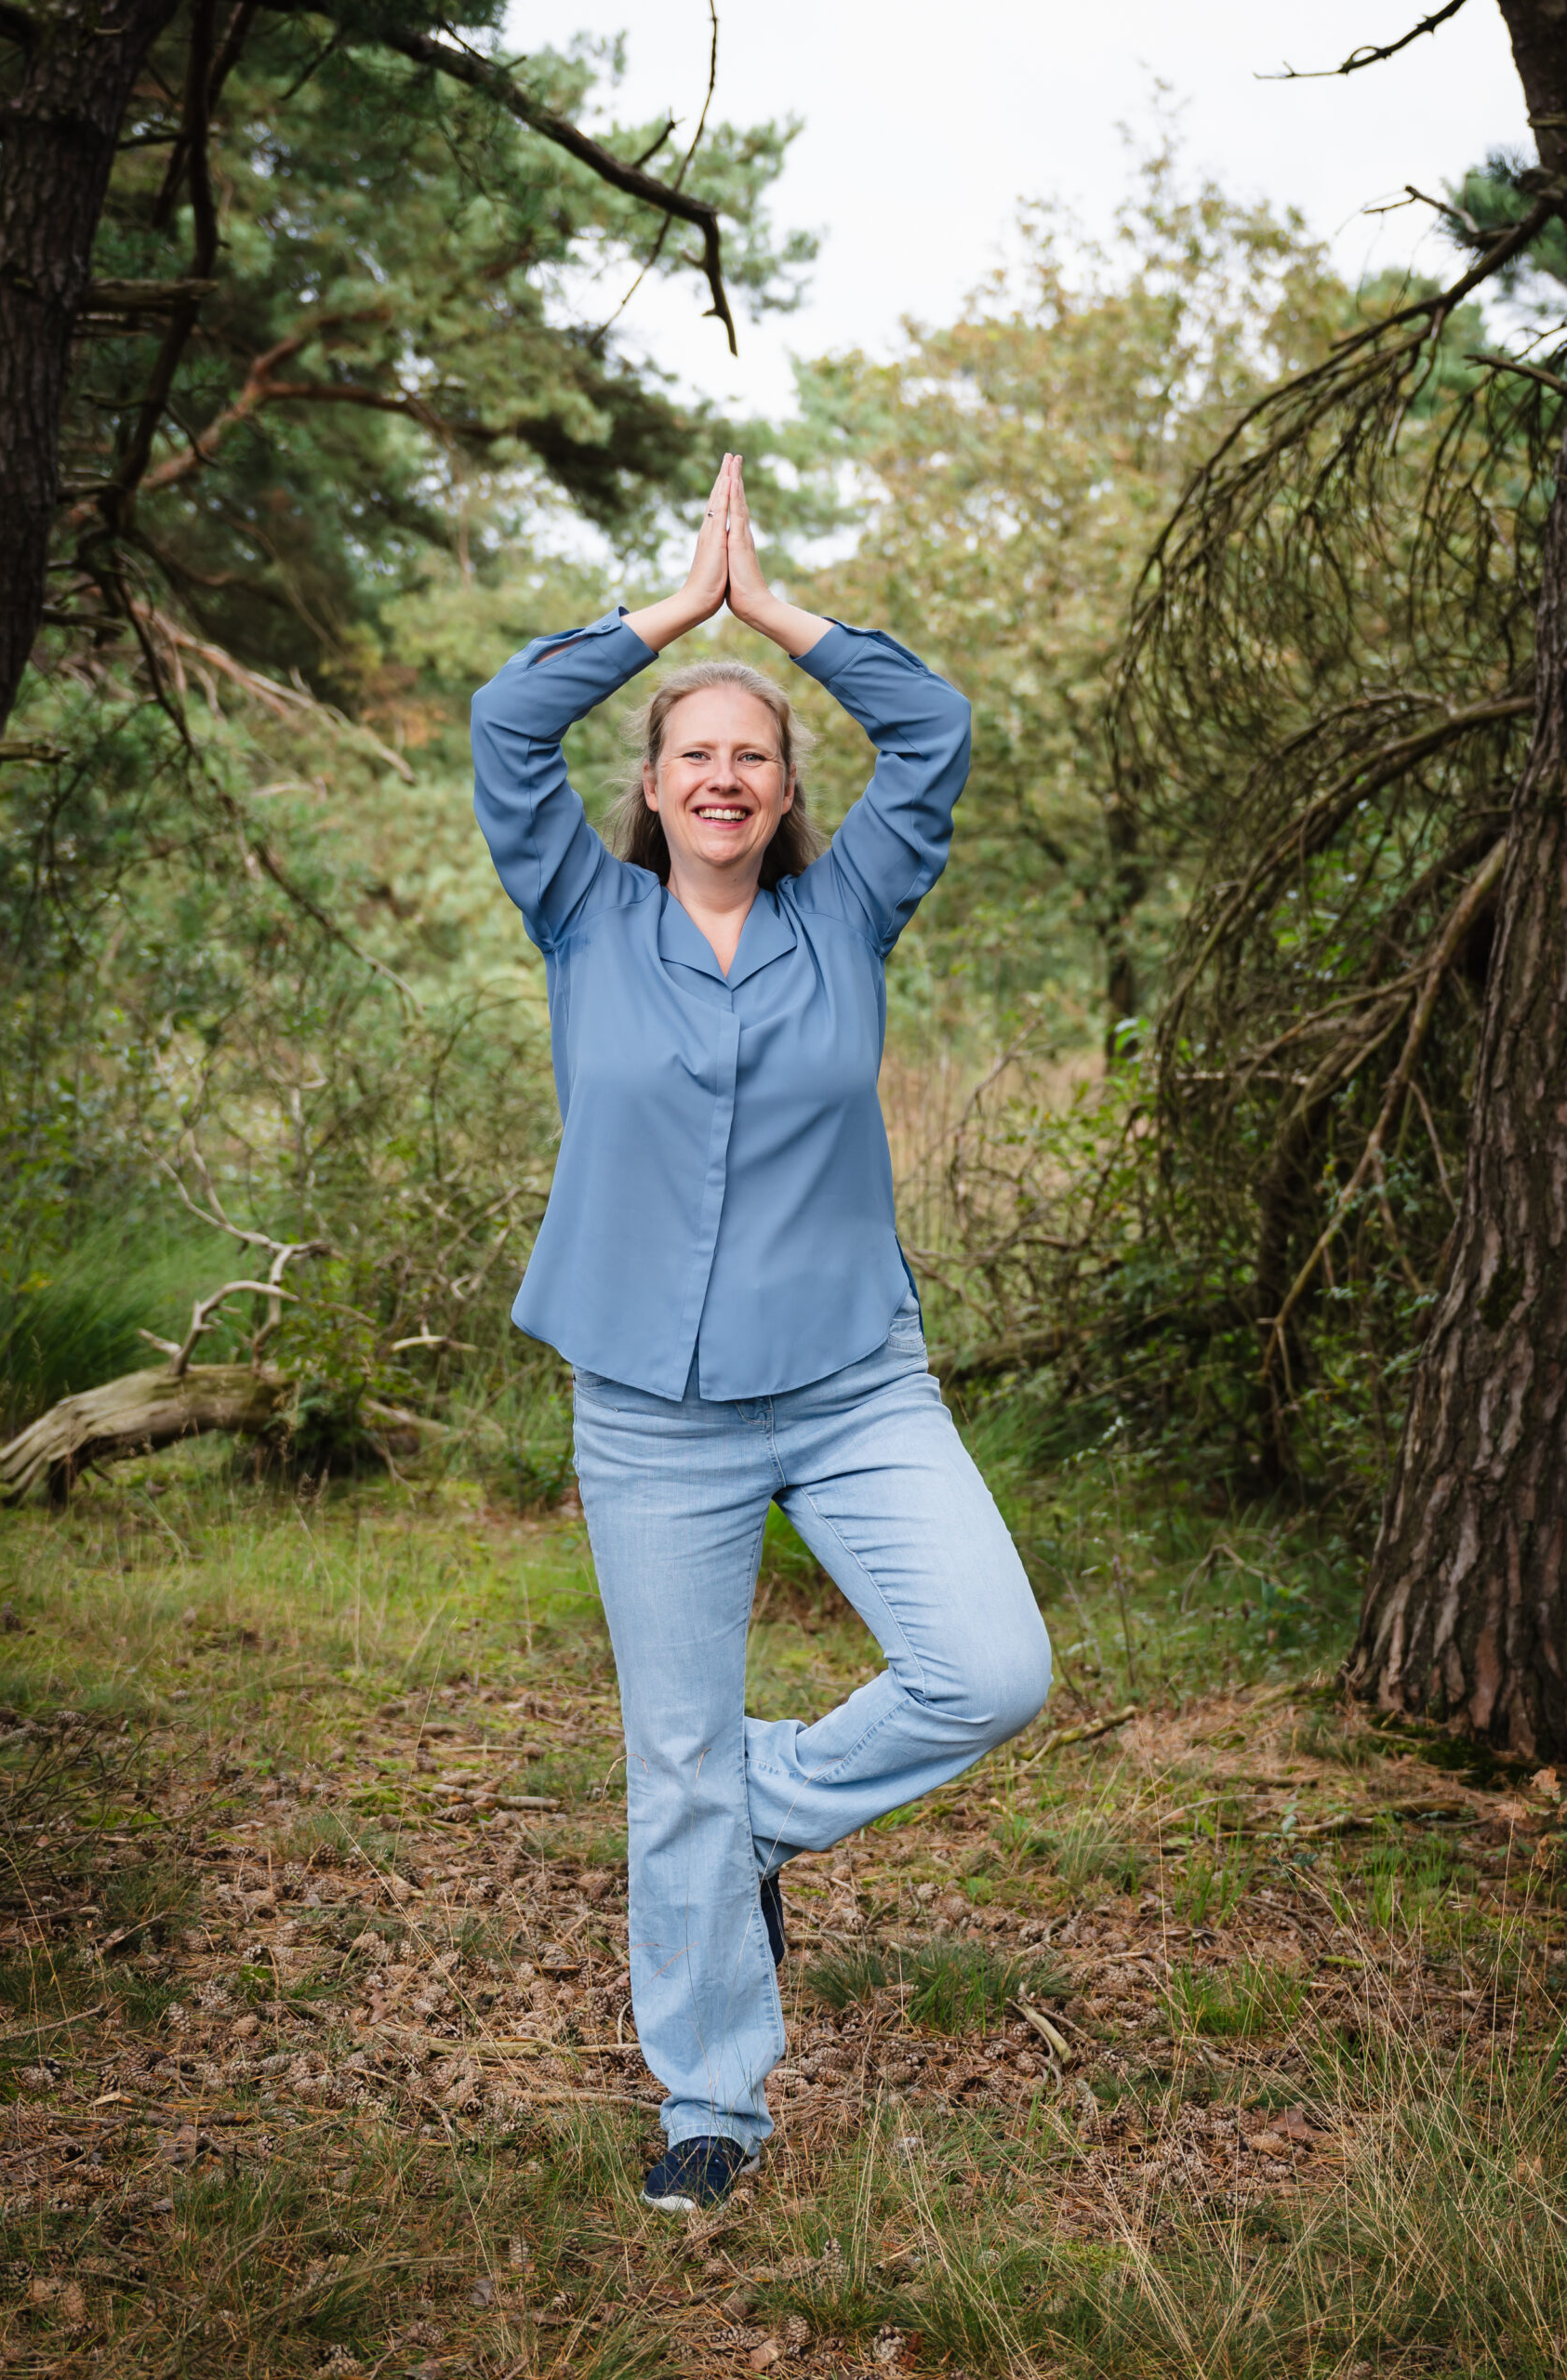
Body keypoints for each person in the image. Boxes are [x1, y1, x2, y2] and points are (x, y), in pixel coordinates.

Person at [471, 454, 1052, 2211]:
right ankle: (713, 2101)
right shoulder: (586, 916)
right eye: (694, 750)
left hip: (858, 1386)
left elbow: (936, 729)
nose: (724, 774)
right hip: (651, 1411)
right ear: (648, 786)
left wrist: (777, 614)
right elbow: (508, 723)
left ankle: (745, 1805)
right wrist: (665, 612)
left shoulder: (846, 910)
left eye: (755, 750)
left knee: (990, 1668)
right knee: (663, 1762)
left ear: (790, 785)